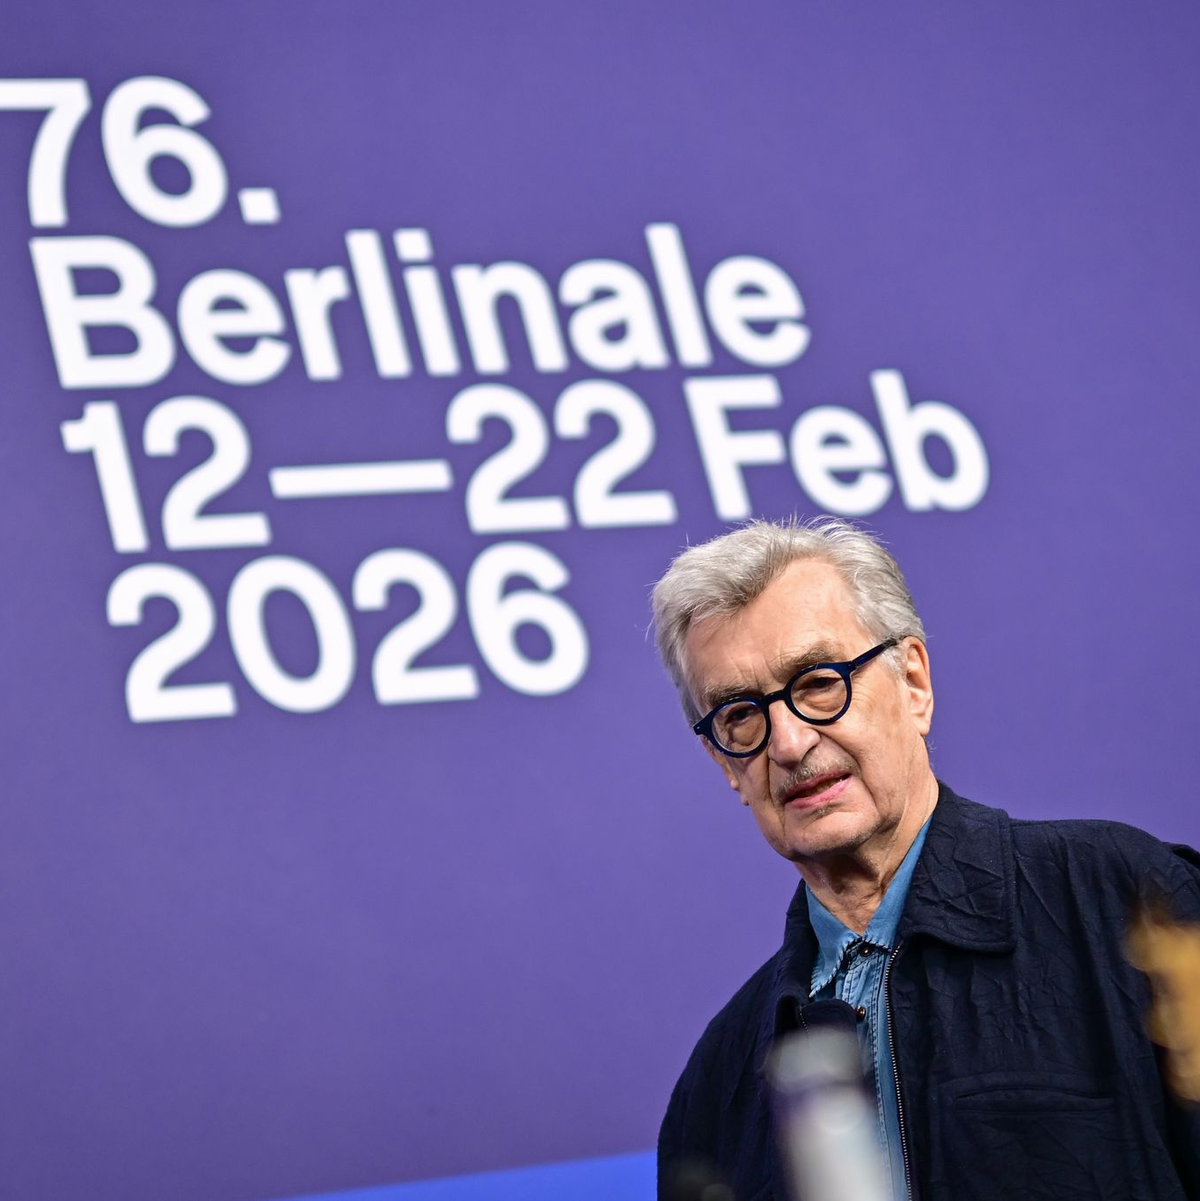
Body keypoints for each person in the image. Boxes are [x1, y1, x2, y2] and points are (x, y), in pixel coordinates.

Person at [651, 516, 1200, 1201]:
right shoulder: (715, 1086)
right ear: (724, 763)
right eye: (740, 714)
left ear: (913, 682)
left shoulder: (1127, 906)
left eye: (818, 681)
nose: (788, 743)